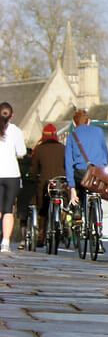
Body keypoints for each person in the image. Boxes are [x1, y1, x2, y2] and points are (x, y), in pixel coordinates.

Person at [65, 109, 108, 253]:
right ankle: (98, 231)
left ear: (74, 122)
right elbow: (105, 154)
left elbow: (68, 162)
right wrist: (103, 165)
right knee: (96, 197)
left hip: (81, 173)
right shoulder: (98, 131)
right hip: (97, 172)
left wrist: (72, 188)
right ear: (89, 121)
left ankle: (78, 211)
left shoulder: (72, 135)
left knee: (81, 188)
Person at [22, 124, 64, 249]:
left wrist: (32, 178)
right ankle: (61, 225)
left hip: (45, 184)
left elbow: (34, 169)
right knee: (63, 202)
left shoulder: (39, 149)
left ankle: (41, 235)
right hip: (61, 183)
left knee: (41, 208)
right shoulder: (63, 148)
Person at [0, 102, 28, 253]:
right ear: (12, 115)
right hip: (12, 174)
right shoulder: (15, 130)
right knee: (8, 210)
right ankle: (5, 242)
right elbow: (21, 152)